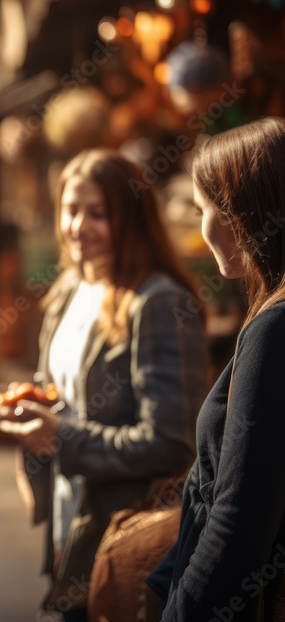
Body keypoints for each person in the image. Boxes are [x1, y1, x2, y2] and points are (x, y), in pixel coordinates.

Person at [0, 149, 208, 621]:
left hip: (125, 536)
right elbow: (57, 396)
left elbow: (172, 444)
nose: (79, 226)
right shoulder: (68, 290)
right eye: (72, 209)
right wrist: (27, 411)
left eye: (99, 213)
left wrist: (59, 436)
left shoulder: (158, 303)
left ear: (131, 218)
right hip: (69, 527)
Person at [147, 117, 285, 620]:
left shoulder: (274, 330)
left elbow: (238, 520)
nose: (200, 227)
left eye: (204, 209)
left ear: (239, 214)